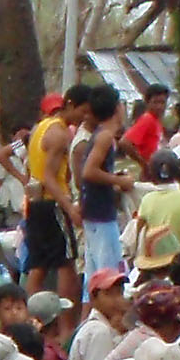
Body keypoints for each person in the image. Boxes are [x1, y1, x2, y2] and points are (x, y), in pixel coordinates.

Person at [22, 94, 78, 296]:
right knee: (66, 263)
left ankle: (30, 315)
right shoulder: (60, 133)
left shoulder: (39, 128)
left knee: (38, 264)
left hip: (35, 203)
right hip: (54, 202)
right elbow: (49, 177)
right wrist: (70, 208)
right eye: (83, 111)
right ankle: (66, 323)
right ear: (70, 106)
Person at [75, 86, 130, 279]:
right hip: (101, 214)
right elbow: (89, 171)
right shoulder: (105, 136)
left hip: (95, 212)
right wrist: (119, 181)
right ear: (117, 108)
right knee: (109, 274)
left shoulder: (100, 135)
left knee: (94, 275)